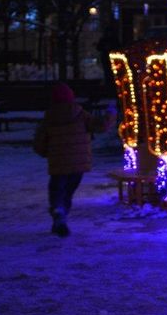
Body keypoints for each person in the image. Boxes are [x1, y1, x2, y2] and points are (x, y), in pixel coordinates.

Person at [33, 83, 112, 237]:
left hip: (58, 164)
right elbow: (101, 126)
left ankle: (58, 211)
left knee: (57, 188)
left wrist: (46, 153)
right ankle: (62, 212)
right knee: (68, 190)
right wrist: (111, 114)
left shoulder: (48, 118)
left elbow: (39, 143)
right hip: (79, 163)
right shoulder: (81, 114)